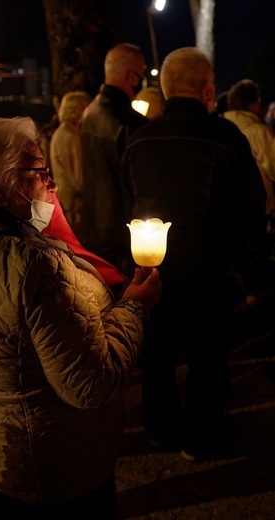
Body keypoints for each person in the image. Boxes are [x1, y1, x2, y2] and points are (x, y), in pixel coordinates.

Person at [0, 116, 161, 519]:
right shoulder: (31, 266)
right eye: (39, 171)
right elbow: (91, 382)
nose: (51, 184)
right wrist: (136, 307)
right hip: (55, 463)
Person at [123, 47, 266, 462]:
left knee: (158, 356)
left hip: (153, 272)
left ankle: (160, 428)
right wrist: (247, 269)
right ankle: (201, 438)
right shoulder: (226, 139)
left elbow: (126, 204)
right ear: (207, 90)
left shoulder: (138, 140)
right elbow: (250, 208)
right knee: (208, 359)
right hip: (211, 271)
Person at [80, 42, 148, 274]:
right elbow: (140, 188)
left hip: (93, 228)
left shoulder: (88, 113)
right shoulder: (132, 123)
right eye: (142, 75)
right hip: (124, 236)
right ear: (132, 77)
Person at [224, 79, 275, 215]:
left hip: (228, 207)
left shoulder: (220, 128)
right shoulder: (259, 132)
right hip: (260, 209)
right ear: (252, 105)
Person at [50, 90, 92, 240]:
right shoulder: (70, 136)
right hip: (74, 205)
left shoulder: (61, 133)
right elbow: (79, 177)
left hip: (65, 200)